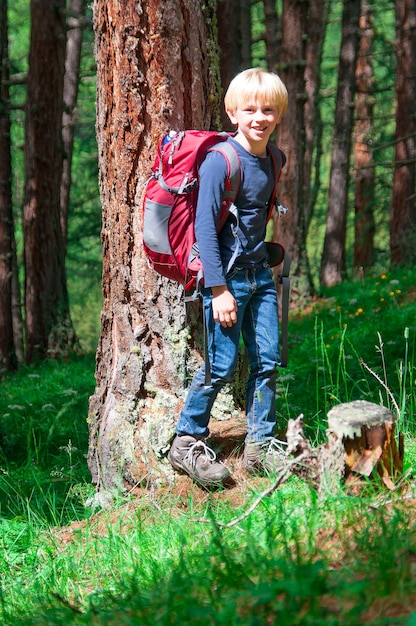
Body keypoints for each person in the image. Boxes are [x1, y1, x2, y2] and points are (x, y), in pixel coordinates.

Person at [168, 67, 289, 487]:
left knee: (268, 362)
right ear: (233, 112)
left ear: (279, 114)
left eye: (268, 109)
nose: (259, 117)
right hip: (226, 281)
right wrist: (218, 290)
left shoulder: (275, 158)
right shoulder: (222, 161)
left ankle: (261, 446)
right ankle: (186, 441)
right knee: (220, 366)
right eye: (250, 109)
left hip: (260, 277)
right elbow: (204, 226)